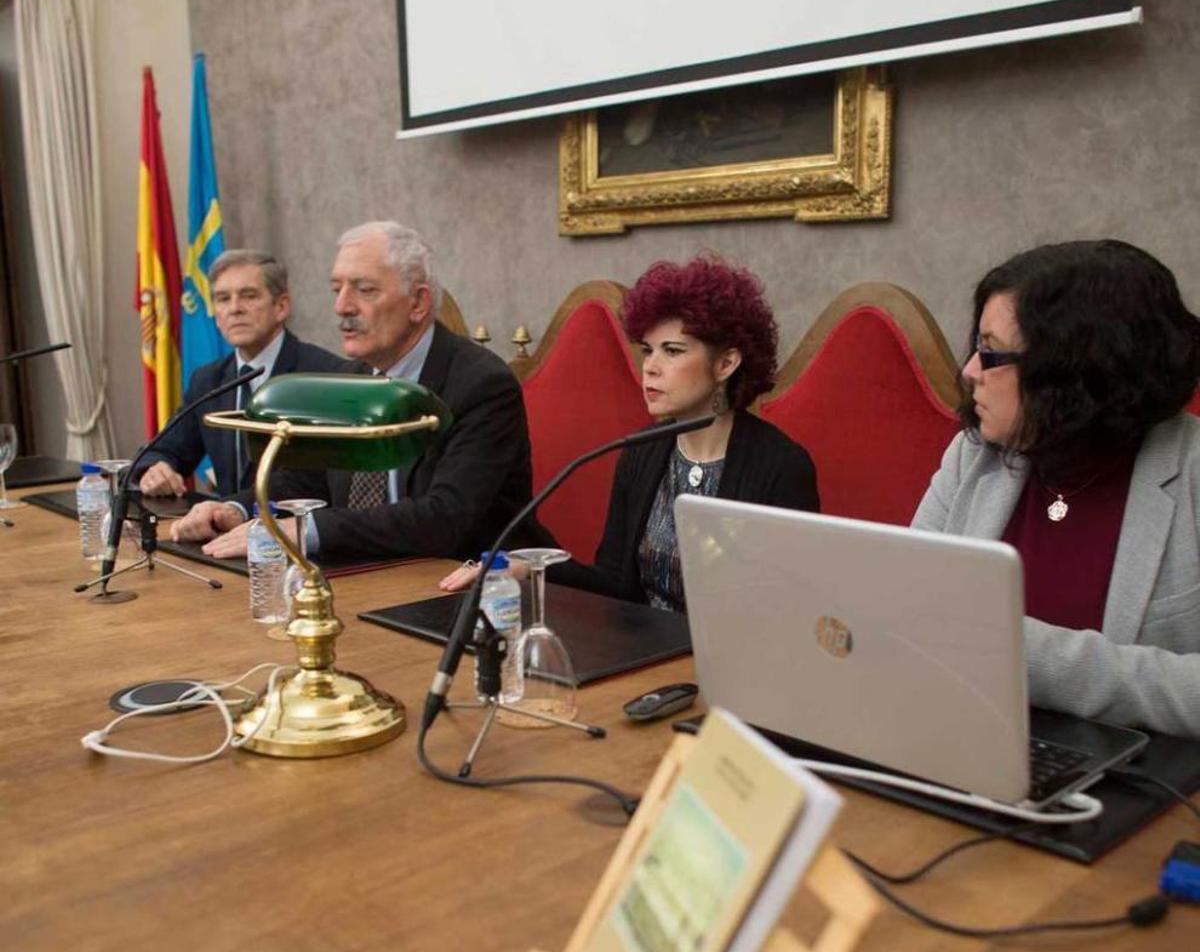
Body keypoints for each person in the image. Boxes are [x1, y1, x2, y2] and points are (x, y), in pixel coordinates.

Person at [913, 238, 1200, 739]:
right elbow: (907, 607)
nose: (969, 371)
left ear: (1076, 371)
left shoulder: (1191, 470)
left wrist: (1034, 658)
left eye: (990, 352)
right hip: (960, 737)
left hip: (1136, 774)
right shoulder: (972, 455)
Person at [441, 254, 819, 611]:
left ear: (726, 363)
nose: (650, 367)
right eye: (647, 350)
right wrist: (527, 567)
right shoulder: (642, 453)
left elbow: (787, 610)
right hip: (644, 650)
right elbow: (615, 584)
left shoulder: (781, 466)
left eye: (672, 351)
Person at [170, 222, 532, 562]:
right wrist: (236, 510)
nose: (341, 306)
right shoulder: (349, 377)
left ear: (418, 303)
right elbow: (305, 480)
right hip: (360, 573)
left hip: (465, 579)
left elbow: (444, 518)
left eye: (365, 290)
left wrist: (307, 531)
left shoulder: (481, 384)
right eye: (337, 289)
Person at [139, 249, 344, 499]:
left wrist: (235, 508)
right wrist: (155, 469)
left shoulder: (324, 375)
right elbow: (162, 451)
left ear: (281, 307)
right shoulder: (209, 380)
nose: (235, 309)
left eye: (249, 296)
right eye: (223, 299)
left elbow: (311, 482)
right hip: (226, 522)